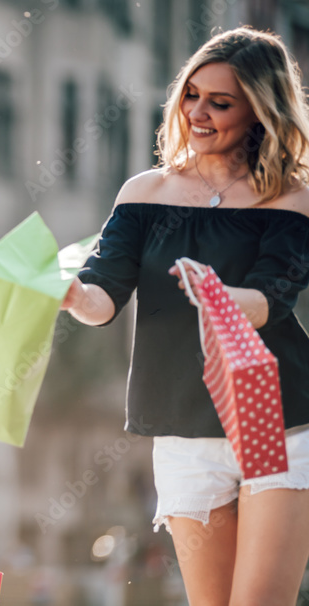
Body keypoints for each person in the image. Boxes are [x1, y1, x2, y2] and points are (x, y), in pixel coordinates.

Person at [62, 27, 309, 605]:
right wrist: (73, 296)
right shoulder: (144, 193)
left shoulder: (292, 198)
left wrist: (217, 294)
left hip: (273, 415)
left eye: (219, 102)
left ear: (259, 112)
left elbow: (275, 297)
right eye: (191, 95)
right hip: (179, 422)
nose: (198, 112)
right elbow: (104, 296)